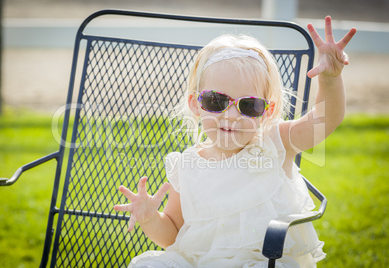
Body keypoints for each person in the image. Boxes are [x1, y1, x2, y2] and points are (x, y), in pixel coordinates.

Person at [114, 16, 356, 267]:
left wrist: (330, 79)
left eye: (249, 106)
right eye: (216, 101)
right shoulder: (187, 166)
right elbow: (173, 237)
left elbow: (326, 120)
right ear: (196, 104)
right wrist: (151, 219)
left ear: (268, 111)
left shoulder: (275, 142)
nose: (230, 115)